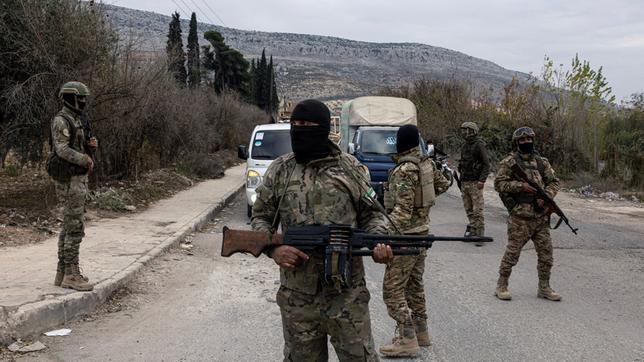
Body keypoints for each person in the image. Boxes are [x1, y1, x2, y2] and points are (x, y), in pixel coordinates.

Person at [251, 99, 394, 362]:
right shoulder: (280, 170)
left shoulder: (351, 169)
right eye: (294, 124)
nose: (298, 129)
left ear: (324, 129)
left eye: (305, 124)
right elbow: (260, 218)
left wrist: (378, 242)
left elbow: (373, 214)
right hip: (298, 298)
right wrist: (274, 249)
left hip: (347, 296)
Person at [379, 125, 450, 358]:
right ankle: (421, 333)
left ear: (400, 143)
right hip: (422, 232)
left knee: (392, 289)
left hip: (405, 237)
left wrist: (381, 232)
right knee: (414, 285)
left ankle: (407, 338)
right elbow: (442, 185)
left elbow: (402, 211)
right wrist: (423, 206)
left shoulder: (404, 170)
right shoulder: (426, 164)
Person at [494, 126, 561, 301]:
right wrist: (520, 186)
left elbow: (554, 182)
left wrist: (547, 196)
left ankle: (544, 287)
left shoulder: (542, 162)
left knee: (546, 255)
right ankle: (501, 285)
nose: (527, 142)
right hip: (520, 218)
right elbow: (499, 184)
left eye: (529, 139)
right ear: (517, 142)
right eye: (523, 140)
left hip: (540, 217)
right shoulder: (509, 163)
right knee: (512, 254)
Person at [50, 81, 97, 292]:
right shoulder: (62, 120)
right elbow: (62, 150)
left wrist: (91, 146)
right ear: (70, 98)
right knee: (75, 226)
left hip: (77, 178)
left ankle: (62, 272)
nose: (84, 102)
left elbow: (78, 144)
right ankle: (71, 274)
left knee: (69, 225)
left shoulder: (78, 119)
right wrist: (85, 159)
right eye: (81, 98)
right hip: (69, 179)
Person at [458, 121, 490, 246]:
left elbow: (486, 164)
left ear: (473, 131)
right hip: (465, 181)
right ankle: (473, 230)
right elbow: (463, 164)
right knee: (469, 209)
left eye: (467, 130)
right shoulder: (465, 145)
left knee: (478, 210)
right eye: (463, 130)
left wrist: (482, 180)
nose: (464, 132)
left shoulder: (479, 145)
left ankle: (480, 235)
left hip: (475, 182)